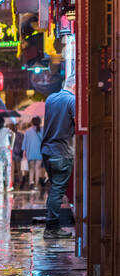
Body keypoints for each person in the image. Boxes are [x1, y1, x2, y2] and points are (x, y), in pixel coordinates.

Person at [41, 80, 77, 239]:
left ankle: (52, 226)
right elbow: (79, 123)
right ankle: (51, 228)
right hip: (62, 152)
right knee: (57, 191)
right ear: (75, 86)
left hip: (47, 151)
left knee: (54, 189)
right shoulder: (72, 100)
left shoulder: (50, 98)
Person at [23, 116, 44, 193]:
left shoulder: (28, 131)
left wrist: (24, 151)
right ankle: (36, 184)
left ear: (32, 122)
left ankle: (31, 182)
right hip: (39, 152)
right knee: (37, 168)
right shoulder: (42, 130)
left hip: (30, 151)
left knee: (31, 168)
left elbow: (24, 142)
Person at [0, 117, 14, 193]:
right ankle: (8, 187)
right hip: (6, 150)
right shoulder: (6, 130)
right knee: (7, 169)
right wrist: (11, 145)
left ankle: (0, 188)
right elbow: (13, 134)